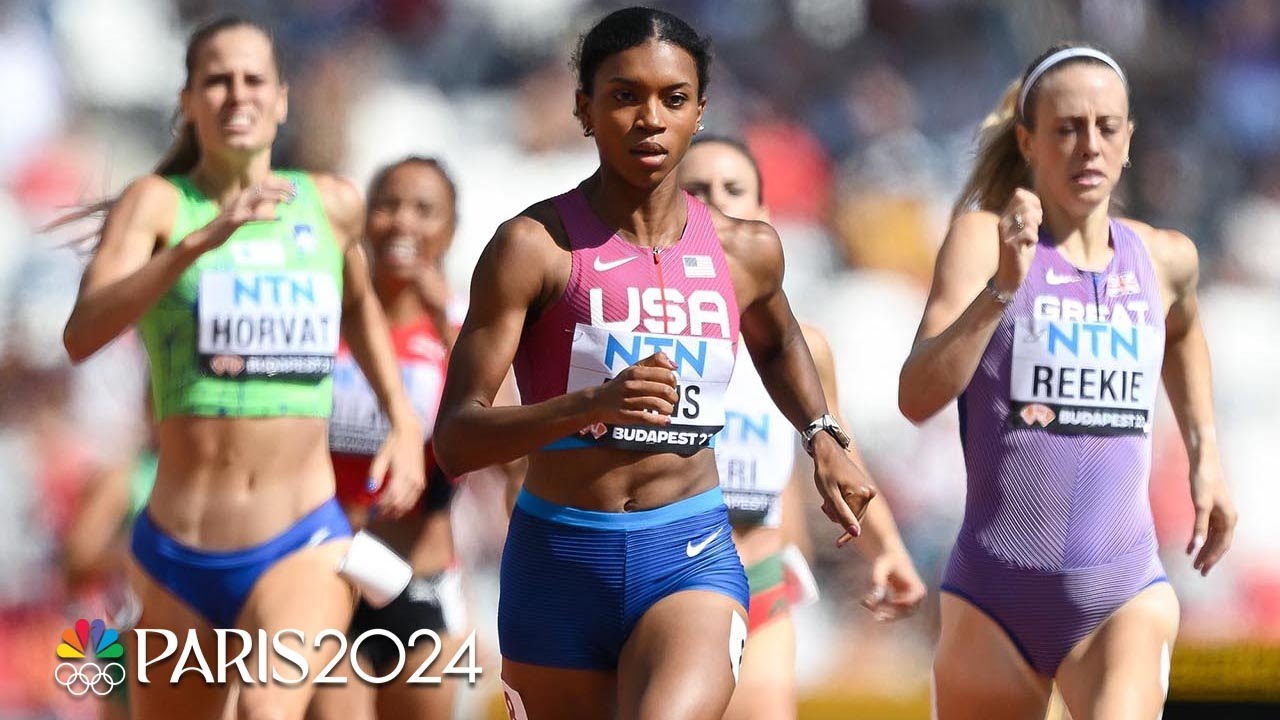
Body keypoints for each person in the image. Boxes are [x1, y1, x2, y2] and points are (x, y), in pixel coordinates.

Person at [432, 7, 879, 719]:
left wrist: (823, 435)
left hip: (689, 553)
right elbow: (456, 437)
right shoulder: (533, 248)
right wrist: (589, 407)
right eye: (623, 95)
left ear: (700, 111)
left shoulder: (746, 250)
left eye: (673, 98)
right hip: (556, 562)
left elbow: (779, 340)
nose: (649, 118)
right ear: (584, 107)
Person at [60, 17, 424, 720]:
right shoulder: (158, 206)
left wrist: (402, 422)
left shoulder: (330, 204)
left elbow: (360, 310)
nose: (237, 95)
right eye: (217, 80)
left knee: (265, 708)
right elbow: (82, 334)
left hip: (302, 538)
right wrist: (199, 243)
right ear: (189, 100)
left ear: (282, 99)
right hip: (177, 551)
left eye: (254, 79)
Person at [898, 44, 1238, 719]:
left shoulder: (1166, 258)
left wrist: (1207, 460)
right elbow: (917, 396)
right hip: (992, 603)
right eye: (1067, 127)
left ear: (1130, 138)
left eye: (1107, 127)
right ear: (1027, 140)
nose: (1089, 145)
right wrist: (1002, 289)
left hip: (1122, 595)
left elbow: (1183, 331)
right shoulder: (980, 241)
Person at [677, 135, 925, 719]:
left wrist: (887, 548)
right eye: (696, 191)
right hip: (660, 583)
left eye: (733, 190)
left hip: (758, 577)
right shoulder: (634, 331)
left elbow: (842, 459)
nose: (715, 205)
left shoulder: (802, 346)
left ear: (763, 215)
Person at [309, 156, 466, 720]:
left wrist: (446, 322)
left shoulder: (465, 327)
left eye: (424, 210)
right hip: (328, 569)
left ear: (449, 231)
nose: (403, 222)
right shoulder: (324, 316)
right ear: (363, 221)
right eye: (388, 205)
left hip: (420, 574)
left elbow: (506, 441)